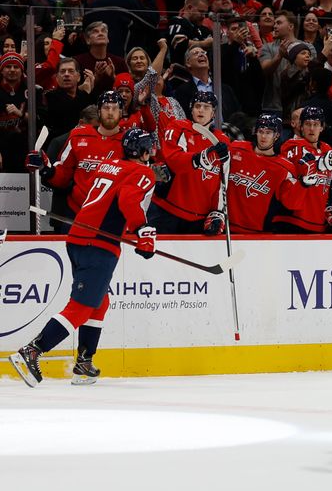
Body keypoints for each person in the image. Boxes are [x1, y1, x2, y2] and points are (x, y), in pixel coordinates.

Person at [9, 128, 158, 388]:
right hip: (99, 244)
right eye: (151, 148)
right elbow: (128, 200)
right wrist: (142, 230)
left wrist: (48, 170)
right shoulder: (143, 172)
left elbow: (87, 194)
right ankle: (32, 351)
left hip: (78, 238)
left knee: (99, 302)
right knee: (81, 307)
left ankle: (84, 363)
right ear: (144, 152)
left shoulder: (108, 166)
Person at [29, 91, 126, 229]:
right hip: (76, 214)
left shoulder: (129, 141)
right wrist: (47, 170)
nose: (110, 112)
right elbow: (63, 175)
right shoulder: (78, 136)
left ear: (121, 112)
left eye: (115, 108)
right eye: (105, 107)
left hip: (111, 216)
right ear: (99, 111)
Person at [148, 91, 230, 234]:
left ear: (213, 113)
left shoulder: (222, 141)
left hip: (199, 217)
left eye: (206, 107)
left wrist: (218, 212)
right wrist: (202, 158)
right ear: (191, 109)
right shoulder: (178, 127)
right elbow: (175, 161)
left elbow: (222, 180)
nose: (201, 110)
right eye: (197, 106)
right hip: (167, 211)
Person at [276, 106, 332, 233]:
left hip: (317, 223)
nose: (312, 128)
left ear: (322, 127)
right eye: (307, 124)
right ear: (301, 127)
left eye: (316, 124)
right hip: (293, 222)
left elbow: (325, 185)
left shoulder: (326, 149)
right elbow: (306, 163)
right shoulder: (291, 147)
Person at [227, 114, 307, 233]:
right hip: (228, 229)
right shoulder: (236, 149)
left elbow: (291, 203)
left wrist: (303, 185)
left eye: (268, 132)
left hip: (259, 233)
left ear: (277, 135)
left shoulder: (284, 167)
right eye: (261, 131)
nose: (263, 136)